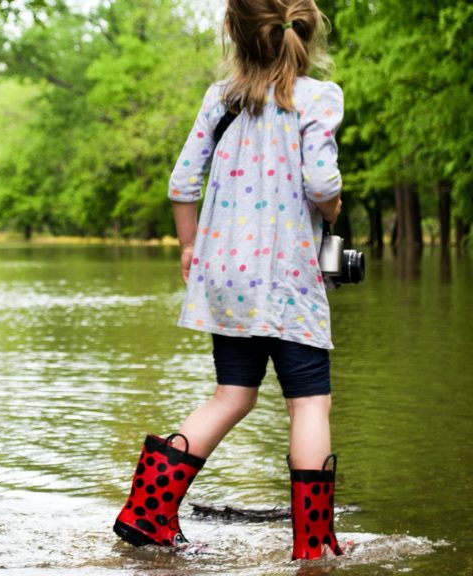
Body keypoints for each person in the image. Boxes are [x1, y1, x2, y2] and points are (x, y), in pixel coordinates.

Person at [113, 0, 346, 561]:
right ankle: (313, 544)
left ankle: (146, 514)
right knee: (309, 406)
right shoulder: (318, 97)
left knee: (231, 396)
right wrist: (334, 210)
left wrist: (190, 245)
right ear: (305, 32)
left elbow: (182, 183)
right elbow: (321, 185)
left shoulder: (221, 100)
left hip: (227, 278)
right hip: (288, 279)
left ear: (235, 35)